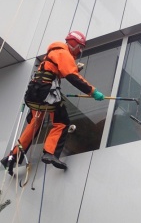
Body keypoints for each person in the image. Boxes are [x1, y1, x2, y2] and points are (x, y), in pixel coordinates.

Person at [1, 31, 104, 173]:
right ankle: (50, 153)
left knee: (34, 124)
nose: (80, 50)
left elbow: (55, 71)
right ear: (74, 44)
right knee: (61, 123)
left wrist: (74, 67)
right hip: (45, 93)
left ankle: (11, 157)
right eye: (80, 47)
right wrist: (93, 92)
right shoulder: (64, 53)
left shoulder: (52, 53)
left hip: (33, 93)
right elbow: (73, 77)